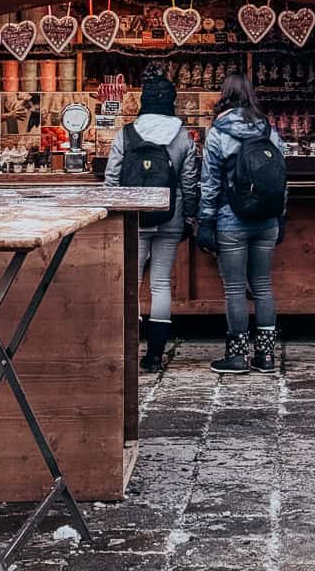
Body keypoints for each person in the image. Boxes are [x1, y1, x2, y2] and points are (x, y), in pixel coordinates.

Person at [105, 68, 199, 372]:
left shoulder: (126, 133)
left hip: (134, 218)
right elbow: (189, 181)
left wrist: (117, 212)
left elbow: (112, 178)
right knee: (160, 284)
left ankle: (128, 351)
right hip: (170, 217)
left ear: (144, 102)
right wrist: (190, 216)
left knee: (130, 284)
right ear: (171, 103)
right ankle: (155, 355)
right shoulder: (182, 135)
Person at [197, 72, 287, 375]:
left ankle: (236, 356)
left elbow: (209, 183)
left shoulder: (218, 132)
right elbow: (281, 177)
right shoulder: (268, 130)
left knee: (235, 289)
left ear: (225, 94)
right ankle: (266, 356)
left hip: (230, 219)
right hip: (266, 220)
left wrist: (205, 221)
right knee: (263, 287)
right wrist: (281, 216)